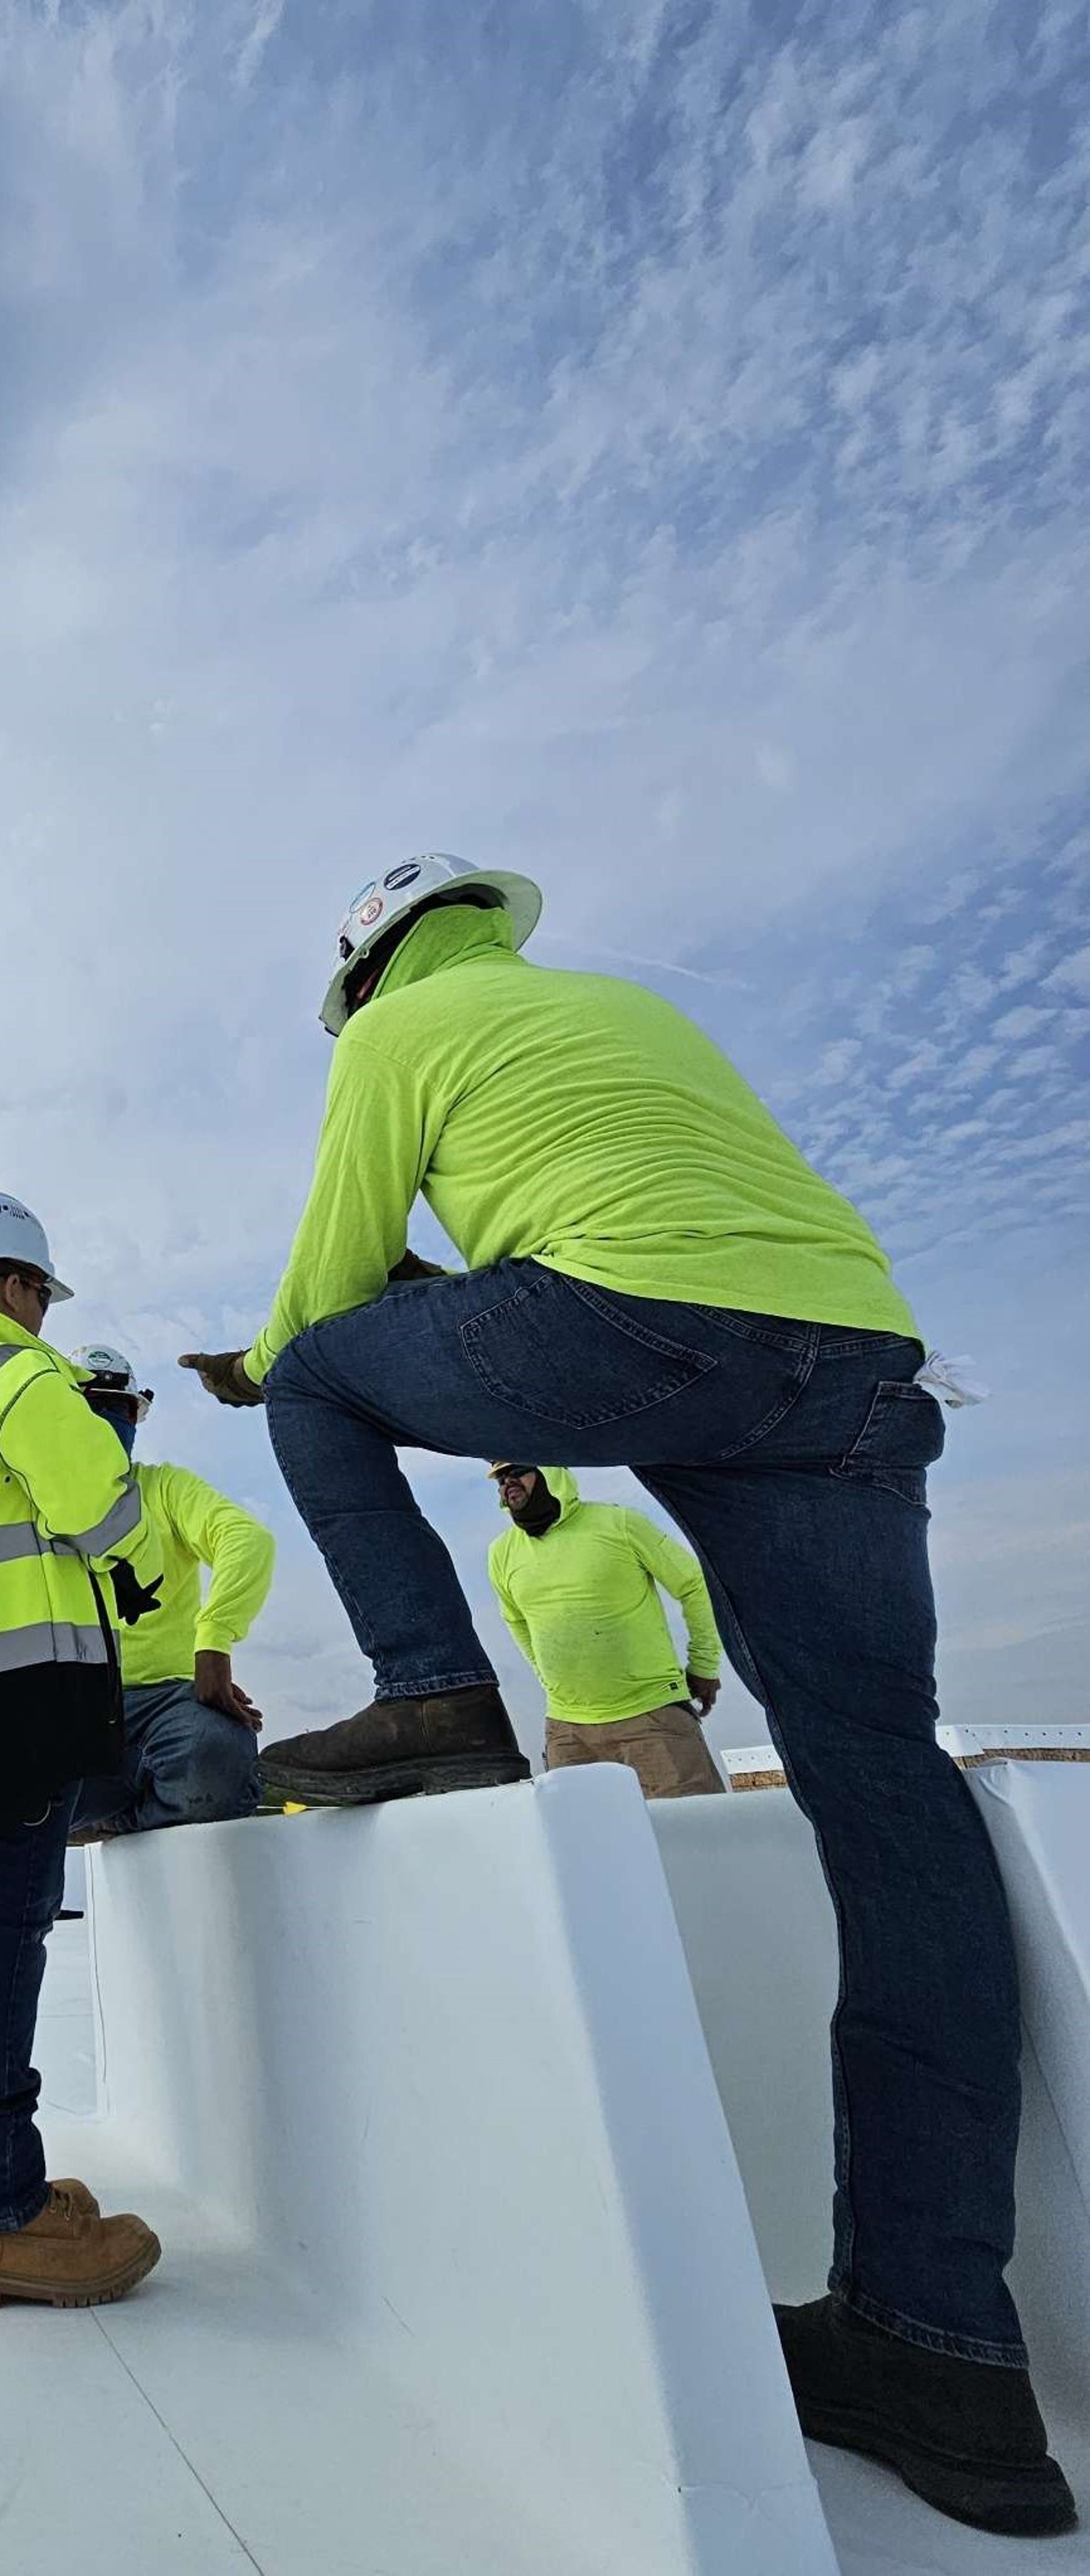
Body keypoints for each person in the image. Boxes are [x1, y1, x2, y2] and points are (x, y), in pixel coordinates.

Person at [179, 851, 1073, 2536]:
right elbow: (623, 1227)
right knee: (890, 1801)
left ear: (364, 975)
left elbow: (328, 1290)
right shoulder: (618, 1010)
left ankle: (434, 1694)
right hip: (855, 1361)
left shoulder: (391, 1040)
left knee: (310, 1379)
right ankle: (946, 2361)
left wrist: (268, 1362)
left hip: (643, 1331)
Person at [0, 1195, 161, 2306]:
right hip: (19, 1709)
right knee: (7, 1942)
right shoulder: (19, 1374)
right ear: (17, 1285)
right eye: (41, 1298)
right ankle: (5, 2216)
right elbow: (104, 1513)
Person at [69, 1345, 272, 1835]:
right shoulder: (29, 1505)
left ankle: (124, 1819)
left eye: (122, 1409)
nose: (111, 1421)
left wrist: (214, 1642)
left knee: (216, 1748)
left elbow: (246, 1539)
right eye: (95, 1406)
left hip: (169, 1702)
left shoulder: (165, 1489)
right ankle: (117, 1810)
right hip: (69, 1706)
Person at [488, 1463, 724, 1796]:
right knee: (588, 1845)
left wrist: (705, 1664)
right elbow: (516, 1621)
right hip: (568, 1732)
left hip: (654, 1717)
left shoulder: (621, 1523)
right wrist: (548, 1679)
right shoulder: (501, 1552)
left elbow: (694, 1584)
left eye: (519, 1470)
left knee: (693, 1839)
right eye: (500, 1478)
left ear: (551, 1472)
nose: (507, 1482)